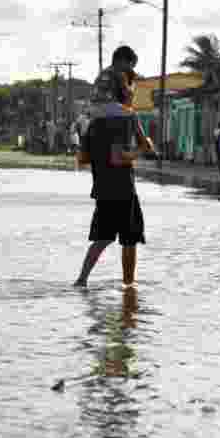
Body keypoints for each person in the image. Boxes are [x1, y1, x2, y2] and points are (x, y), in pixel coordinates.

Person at [73, 47, 151, 289]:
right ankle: (129, 287)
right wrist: (142, 149)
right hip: (122, 189)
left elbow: (83, 160)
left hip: (102, 189)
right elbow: (119, 158)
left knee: (102, 238)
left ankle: (82, 280)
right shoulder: (122, 119)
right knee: (130, 239)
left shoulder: (91, 125)